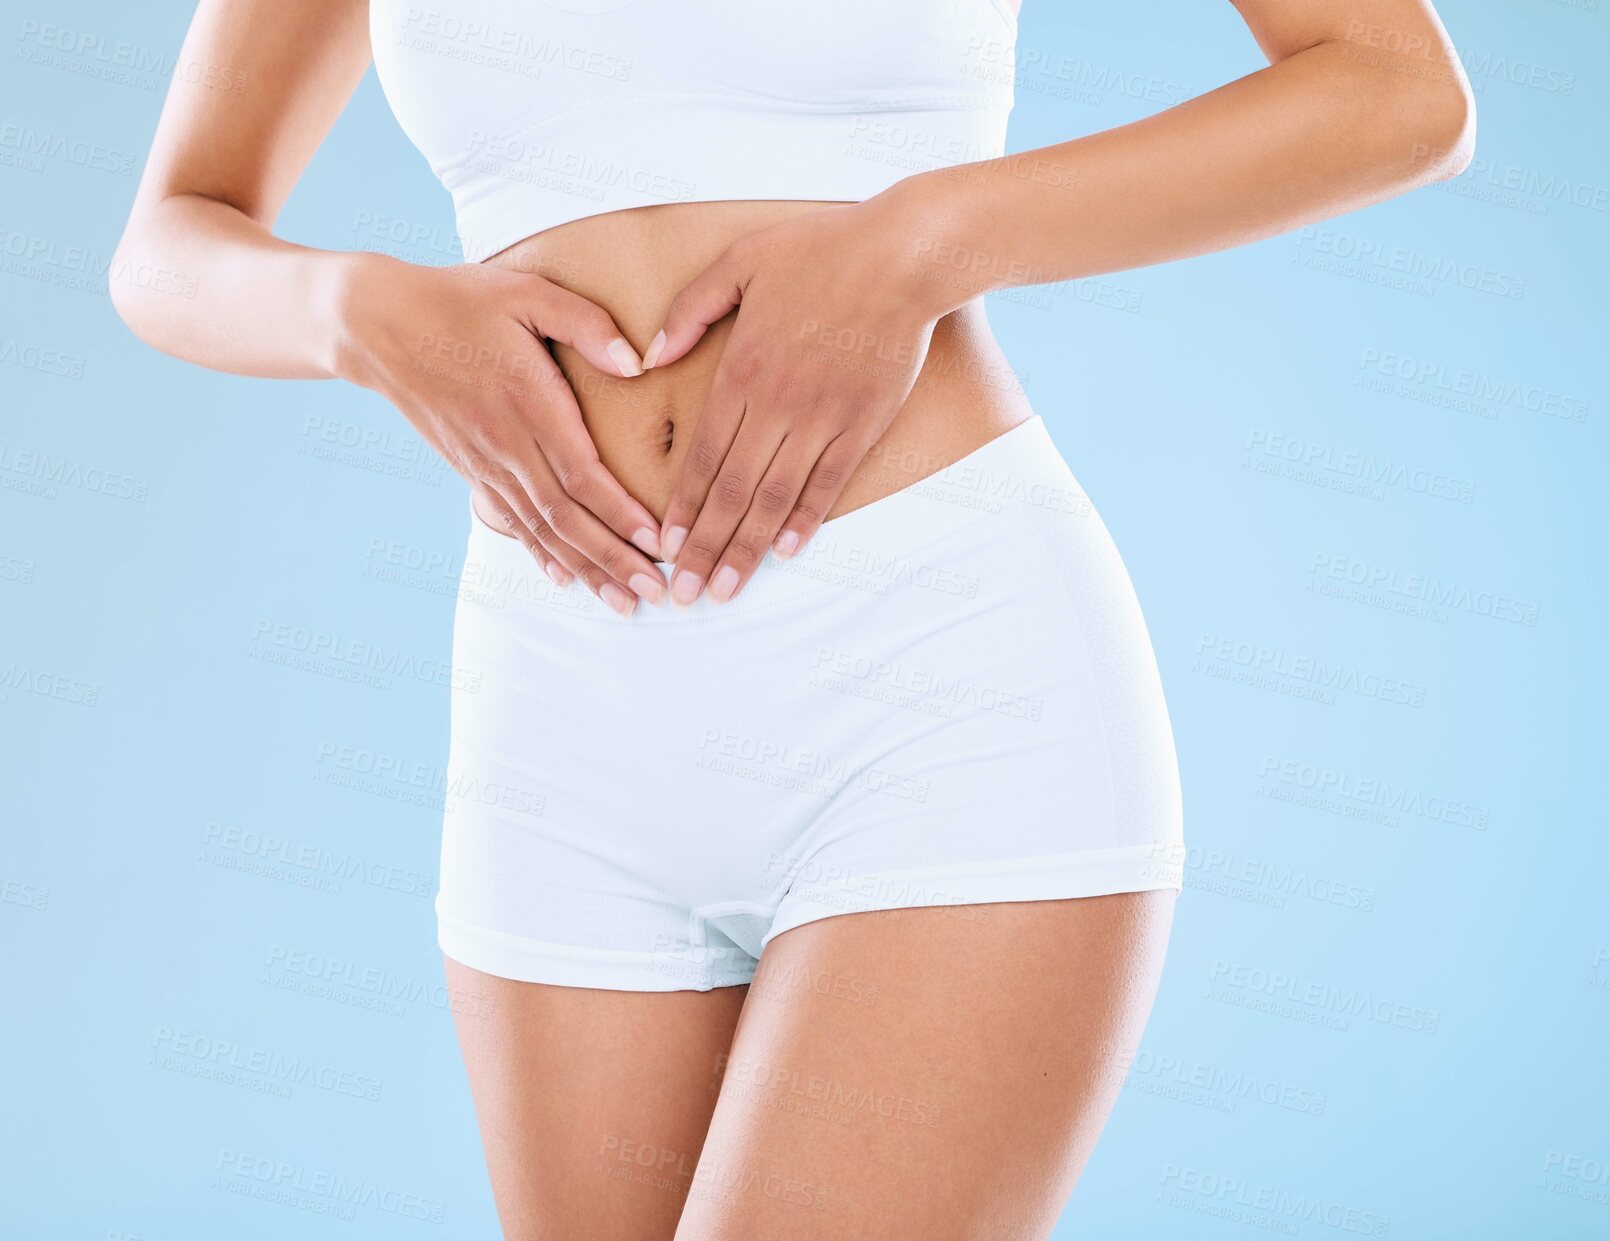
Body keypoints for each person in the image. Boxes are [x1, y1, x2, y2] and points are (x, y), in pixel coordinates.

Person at [110, 1, 1474, 1236]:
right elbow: (170, 238)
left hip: (932, 672)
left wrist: (918, 242)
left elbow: (1396, 89)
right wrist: (353, 307)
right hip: (558, 702)